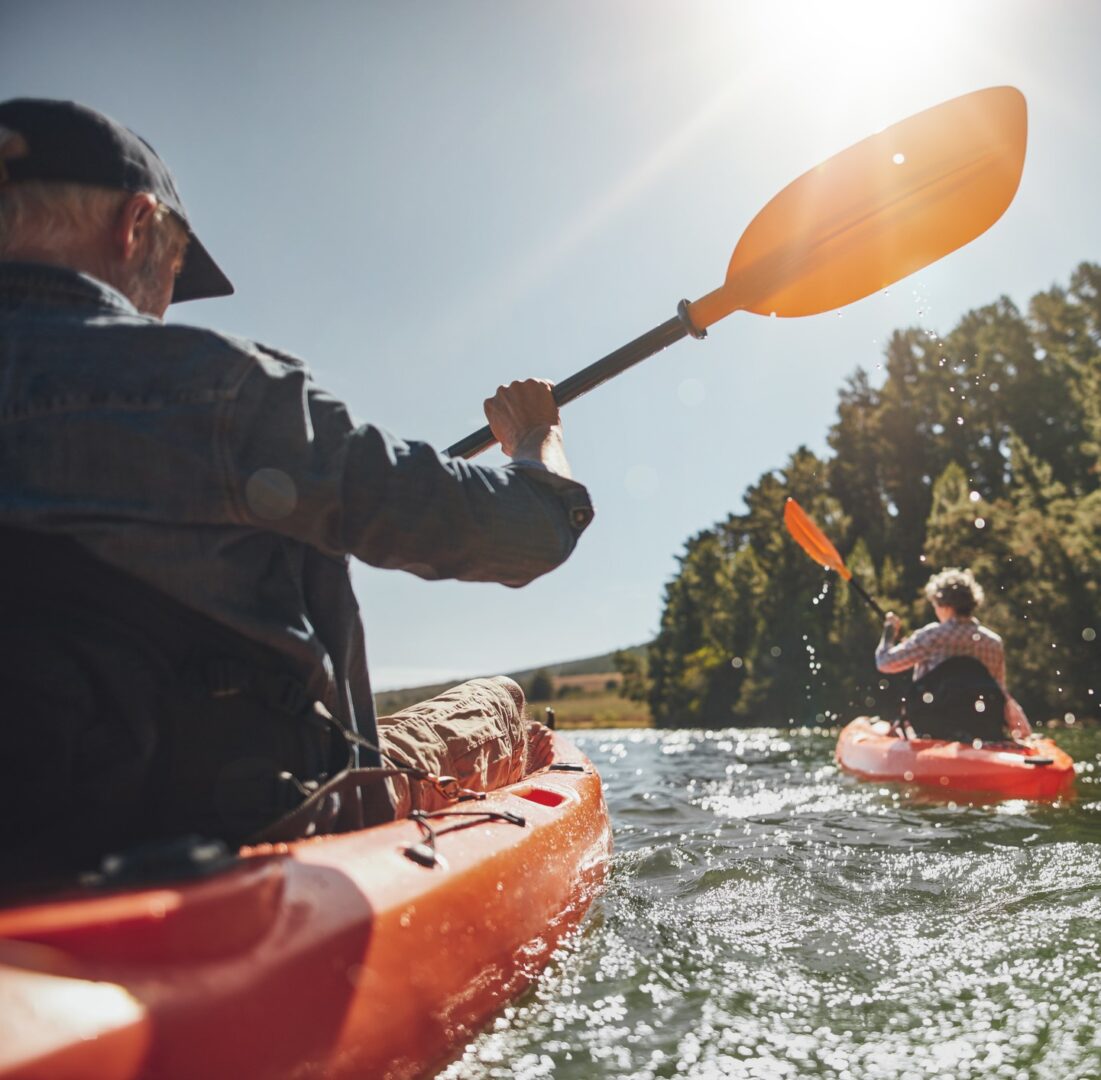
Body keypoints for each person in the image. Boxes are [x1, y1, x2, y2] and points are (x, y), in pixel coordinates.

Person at [0, 98, 593, 880]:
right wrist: (534, 441)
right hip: (254, 827)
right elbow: (529, 534)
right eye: (173, 270)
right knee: (501, 701)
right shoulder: (231, 394)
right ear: (136, 226)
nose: (167, 301)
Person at [875, 567, 1032, 743]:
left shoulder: (932, 636)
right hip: (982, 725)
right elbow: (1000, 690)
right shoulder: (992, 642)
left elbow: (885, 662)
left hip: (933, 726)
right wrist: (1020, 730)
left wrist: (889, 633)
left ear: (944, 605)